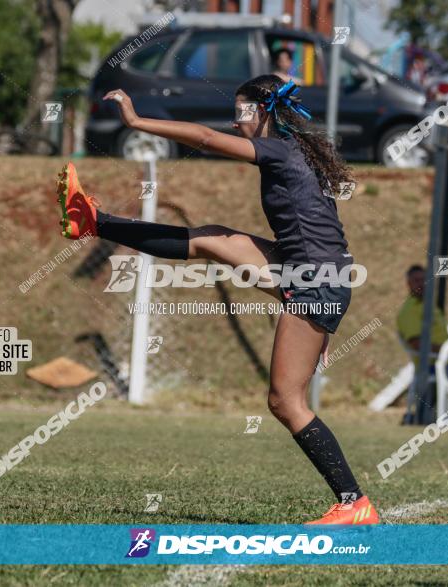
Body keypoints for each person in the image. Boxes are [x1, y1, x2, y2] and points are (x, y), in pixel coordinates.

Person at [55, 76, 378, 524]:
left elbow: (206, 139)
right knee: (209, 239)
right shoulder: (292, 151)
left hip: (315, 279)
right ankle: (93, 221)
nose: (235, 119)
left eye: (242, 111)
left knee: (286, 401)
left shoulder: (281, 150)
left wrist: (135, 119)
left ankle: (354, 503)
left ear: (264, 112)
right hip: (314, 272)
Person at [397, 265, 448, 354]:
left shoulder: (429, 305)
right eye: (416, 281)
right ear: (409, 284)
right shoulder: (409, 311)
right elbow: (418, 345)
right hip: (433, 364)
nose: (421, 284)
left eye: (424, 280)